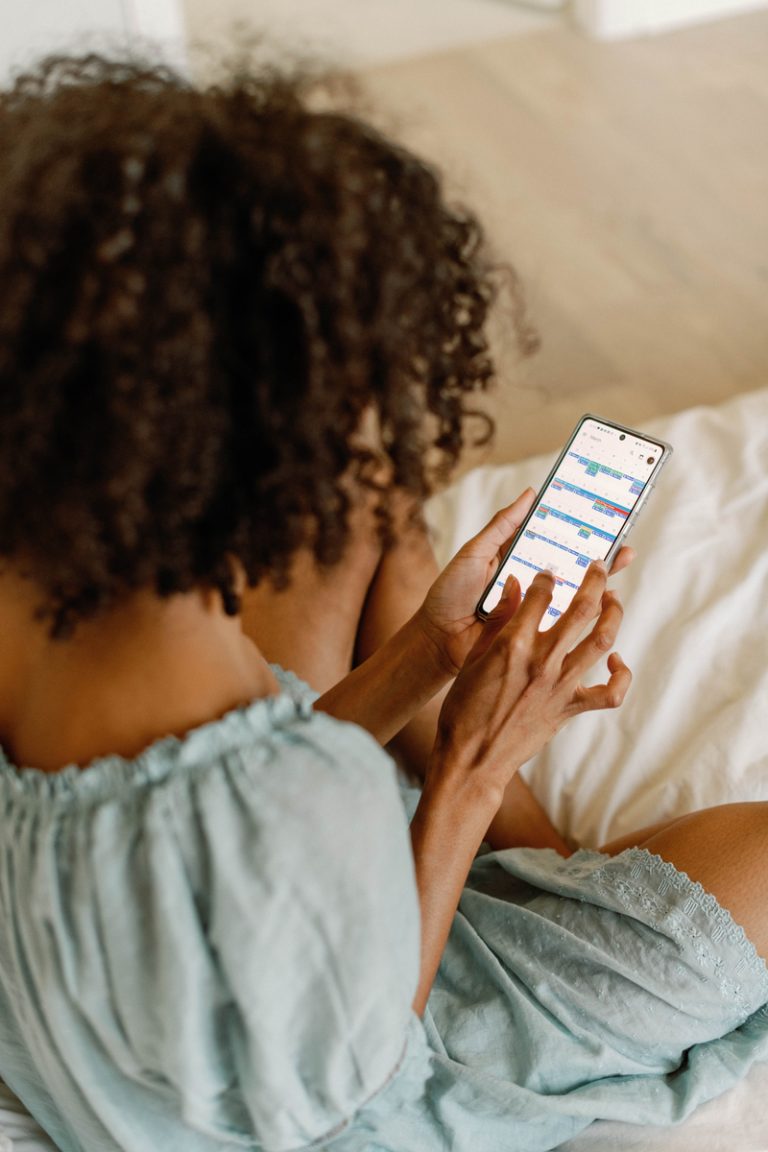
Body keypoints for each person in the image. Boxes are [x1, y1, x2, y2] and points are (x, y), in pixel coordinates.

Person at [0, 53, 766, 1152]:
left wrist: (422, 656)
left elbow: (207, 814)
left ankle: (516, 831)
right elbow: (340, 1086)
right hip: (356, 1074)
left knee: (381, 542)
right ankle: (525, 845)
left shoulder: (46, 598)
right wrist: (466, 773)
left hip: (177, 991)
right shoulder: (297, 805)